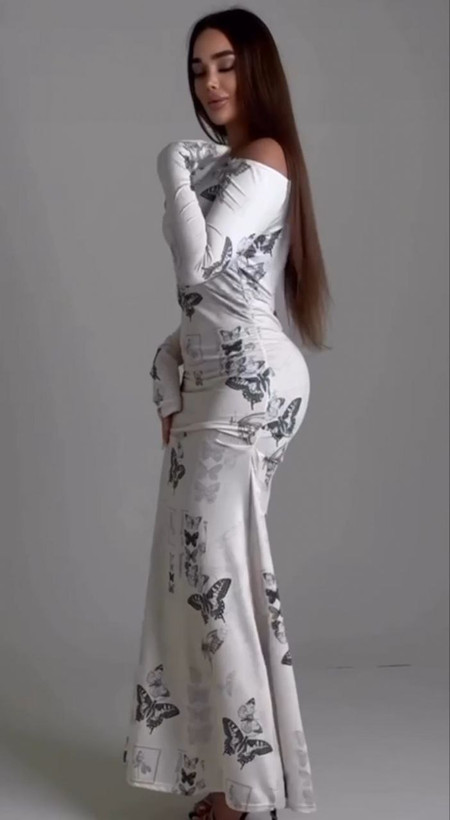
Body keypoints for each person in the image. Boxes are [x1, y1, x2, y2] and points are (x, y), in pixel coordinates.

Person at [123, 7, 331, 819]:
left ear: (256, 72)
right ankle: (220, 778)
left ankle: (248, 790)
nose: (209, 83)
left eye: (226, 66)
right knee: (191, 579)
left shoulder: (266, 157)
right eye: (198, 69)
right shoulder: (223, 163)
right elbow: (203, 307)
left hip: (252, 383)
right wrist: (168, 375)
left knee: (219, 576)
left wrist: (169, 168)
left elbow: (197, 263)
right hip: (210, 378)